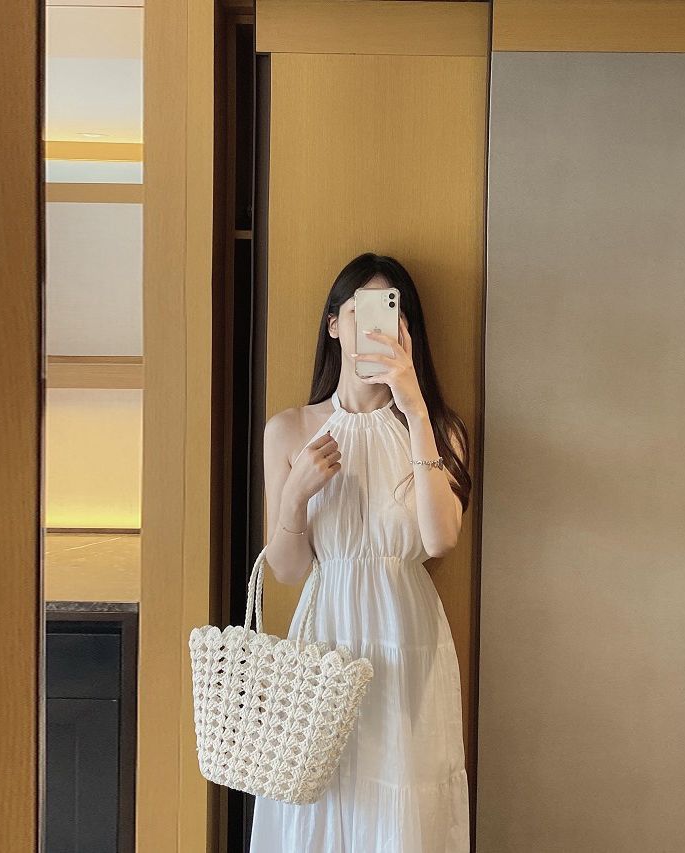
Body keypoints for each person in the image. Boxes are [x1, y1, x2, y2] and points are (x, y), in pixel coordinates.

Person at [249, 253, 472, 852]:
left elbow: (439, 540)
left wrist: (414, 407)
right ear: (334, 325)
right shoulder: (291, 429)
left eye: (391, 315)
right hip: (325, 634)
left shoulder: (438, 429)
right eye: (359, 312)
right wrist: (295, 494)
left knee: (400, 798)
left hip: (406, 635)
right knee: (319, 795)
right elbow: (288, 569)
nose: (375, 328)